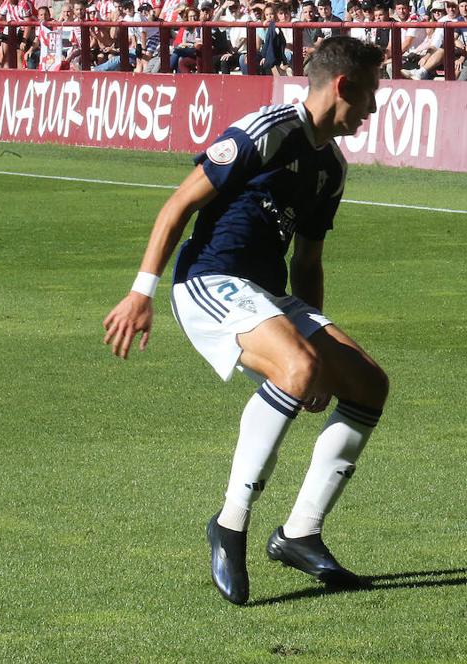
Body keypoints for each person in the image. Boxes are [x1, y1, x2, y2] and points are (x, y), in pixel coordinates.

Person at [102, 37, 391, 604]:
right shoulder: (268, 130)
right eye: (372, 94)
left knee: (367, 384)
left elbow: (308, 261)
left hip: (265, 295)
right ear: (344, 86)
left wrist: (315, 331)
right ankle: (230, 523)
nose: (373, 109)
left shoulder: (330, 168)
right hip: (208, 283)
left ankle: (300, 534)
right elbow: (178, 204)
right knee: (299, 370)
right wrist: (142, 292)